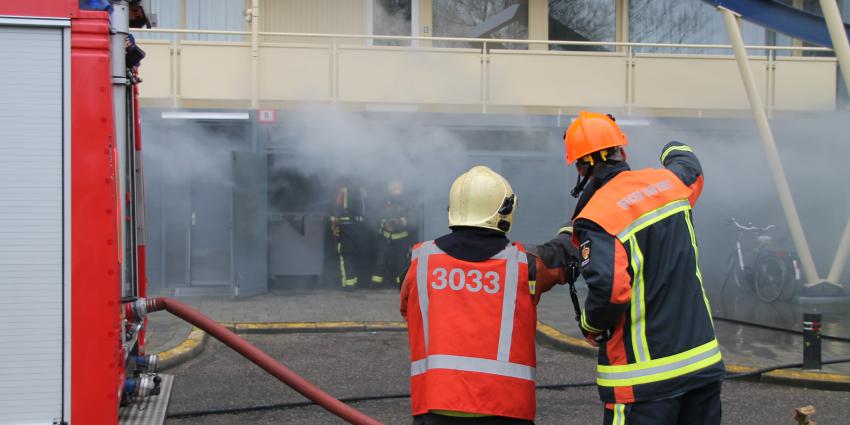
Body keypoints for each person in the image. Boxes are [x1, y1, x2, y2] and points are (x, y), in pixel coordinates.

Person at [563, 112, 723, 425]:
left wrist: (590, 326)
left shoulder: (597, 217)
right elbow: (690, 166)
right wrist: (671, 147)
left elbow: (611, 292)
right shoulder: (670, 184)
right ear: (622, 151)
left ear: (581, 167)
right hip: (702, 365)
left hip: (644, 382)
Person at [399, 165, 577, 425]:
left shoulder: (422, 261)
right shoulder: (524, 265)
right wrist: (576, 226)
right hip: (506, 409)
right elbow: (561, 257)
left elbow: (407, 310)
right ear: (505, 211)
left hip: (436, 407)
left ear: (454, 209)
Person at [371, 179, 415, 288]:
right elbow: (376, 218)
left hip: (401, 238)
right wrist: (384, 224)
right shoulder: (385, 202)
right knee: (380, 260)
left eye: (397, 189)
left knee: (399, 262)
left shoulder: (407, 202)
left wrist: (400, 222)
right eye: (393, 189)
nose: (395, 192)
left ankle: (400, 283)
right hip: (385, 237)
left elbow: (413, 219)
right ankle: (376, 283)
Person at [330, 176, 370, 290]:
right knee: (355, 254)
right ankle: (357, 281)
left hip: (345, 227)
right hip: (359, 228)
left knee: (346, 255)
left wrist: (334, 220)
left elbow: (337, 211)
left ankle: (348, 284)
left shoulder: (342, 192)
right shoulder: (361, 191)